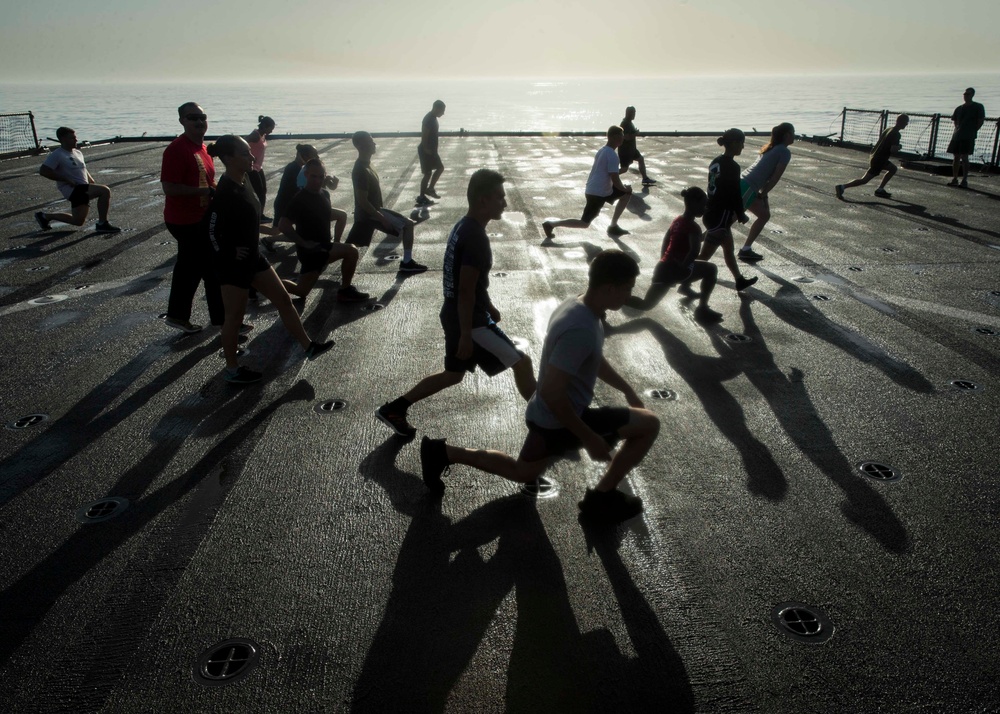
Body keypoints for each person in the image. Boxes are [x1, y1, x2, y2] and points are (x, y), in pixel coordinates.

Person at [420, 249, 660, 524]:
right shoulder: (580, 327)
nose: (630, 294)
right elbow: (552, 392)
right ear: (609, 287)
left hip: (550, 414)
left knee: (523, 472)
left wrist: (627, 388)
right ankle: (602, 498)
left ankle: (441, 453)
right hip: (558, 419)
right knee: (648, 424)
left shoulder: (581, 307)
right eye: (628, 288)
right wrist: (589, 437)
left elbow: (592, 358)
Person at [375, 169, 536, 438]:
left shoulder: (464, 225)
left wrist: (489, 305)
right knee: (521, 362)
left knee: (453, 374)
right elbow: (464, 290)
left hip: (456, 313)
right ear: (484, 200)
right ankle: (547, 421)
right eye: (500, 197)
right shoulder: (475, 238)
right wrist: (465, 335)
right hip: (468, 321)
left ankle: (394, 409)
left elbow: (470, 282)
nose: (505, 203)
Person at [205, 135, 334, 384]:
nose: (252, 156)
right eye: (245, 153)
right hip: (233, 266)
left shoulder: (245, 181)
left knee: (284, 300)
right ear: (229, 159)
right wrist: (228, 251)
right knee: (234, 317)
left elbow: (248, 222)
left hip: (253, 257)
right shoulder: (225, 191)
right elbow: (210, 230)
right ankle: (232, 369)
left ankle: (308, 347)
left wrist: (270, 232)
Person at [159, 102, 225, 334]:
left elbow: (207, 181)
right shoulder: (177, 149)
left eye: (202, 117)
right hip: (185, 221)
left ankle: (182, 316)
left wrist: (219, 190)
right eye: (192, 117)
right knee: (210, 269)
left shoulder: (202, 149)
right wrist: (205, 192)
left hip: (201, 218)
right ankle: (221, 321)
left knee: (192, 268)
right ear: (182, 121)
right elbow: (169, 187)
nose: (199, 121)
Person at [626, 187, 723, 323]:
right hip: (676, 270)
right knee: (710, 269)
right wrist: (682, 268)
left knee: (646, 304)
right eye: (703, 204)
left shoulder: (677, 221)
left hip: (664, 267)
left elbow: (667, 240)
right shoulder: (693, 227)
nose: (705, 208)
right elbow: (694, 251)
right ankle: (702, 309)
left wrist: (664, 258)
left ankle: (610, 300)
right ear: (694, 204)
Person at [278, 157, 367, 302]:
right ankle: (345, 290)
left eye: (321, 176)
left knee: (301, 291)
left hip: (322, 247)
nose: (317, 180)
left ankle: (260, 284)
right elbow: (283, 225)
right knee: (351, 251)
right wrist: (304, 243)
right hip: (313, 251)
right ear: (306, 175)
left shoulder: (323, 194)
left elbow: (321, 214)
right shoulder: (300, 199)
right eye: (314, 176)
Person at [345, 131, 427, 273]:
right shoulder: (360, 170)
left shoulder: (367, 165)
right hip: (368, 215)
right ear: (360, 145)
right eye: (370, 141)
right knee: (408, 224)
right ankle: (407, 262)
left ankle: (320, 260)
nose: (374, 143)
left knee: (349, 248)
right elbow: (362, 201)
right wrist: (382, 218)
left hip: (370, 213)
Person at [692, 129, 757, 292]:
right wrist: (741, 213)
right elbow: (734, 193)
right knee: (704, 258)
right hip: (721, 215)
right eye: (742, 143)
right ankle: (684, 280)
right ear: (734, 143)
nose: (743, 147)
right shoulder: (732, 166)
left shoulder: (716, 161)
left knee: (729, 249)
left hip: (712, 211)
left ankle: (739, 280)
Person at [542, 126, 633, 240]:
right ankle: (551, 224)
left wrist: (624, 188)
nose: (623, 138)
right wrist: (625, 188)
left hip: (602, 189)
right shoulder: (612, 155)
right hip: (597, 193)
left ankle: (613, 225)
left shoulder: (603, 150)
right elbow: (614, 178)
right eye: (621, 136)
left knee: (626, 195)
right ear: (615, 137)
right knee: (584, 223)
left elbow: (606, 172)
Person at [34, 127, 121, 234]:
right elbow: (43, 171)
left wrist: (90, 179)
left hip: (82, 188)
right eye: (72, 138)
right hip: (73, 189)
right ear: (63, 139)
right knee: (104, 191)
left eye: (75, 137)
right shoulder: (57, 154)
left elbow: (81, 168)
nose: (76, 140)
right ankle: (102, 223)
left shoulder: (77, 153)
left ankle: (45, 216)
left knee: (78, 221)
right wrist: (65, 179)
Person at [735, 122, 795, 263]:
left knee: (764, 215)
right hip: (748, 187)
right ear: (787, 135)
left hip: (745, 183)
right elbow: (775, 177)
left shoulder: (773, 148)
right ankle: (694, 247)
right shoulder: (784, 152)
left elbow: (765, 174)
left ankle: (746, 249)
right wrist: (763, 194)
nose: (795, 136)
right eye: (793, 133)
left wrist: (764, 195)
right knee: (724, 224)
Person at [836, 114, 908, 199]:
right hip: (880, 160)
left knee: (893, 169)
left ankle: (880, 189)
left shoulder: (888, 129)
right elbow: (893, 150)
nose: (906, 124)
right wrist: (899, 147)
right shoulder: (896, 134)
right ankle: (842, 187)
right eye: (906, 122)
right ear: (901, 122)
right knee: (864, 180)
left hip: (877, 157)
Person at [947, 88, 986, 189]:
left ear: (972, 95)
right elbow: (955, 121)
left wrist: (973, 131)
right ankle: (955, 178)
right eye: (964, 94)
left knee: (964, 157)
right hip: (957, 135)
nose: (965, 95)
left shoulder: (978, 107)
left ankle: (964, 180)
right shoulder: (959, 108)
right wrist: (957, 129)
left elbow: (980, 121)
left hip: (968, 135)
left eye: (968, 94)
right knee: (956, 157)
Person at [417, 100, 446, 205]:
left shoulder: (432, 118)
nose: (443, 113)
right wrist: (426, 148)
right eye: (442, 111)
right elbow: (424, 134)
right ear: (436, 108)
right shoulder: (429, 119)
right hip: (427, 150)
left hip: (431, 150)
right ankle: (423, 195)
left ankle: (429, 190)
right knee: (429, 172)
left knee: (435, 170)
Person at [618, 106, 655, 186]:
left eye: (635, 113)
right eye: (633, 113)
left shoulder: (629, 122)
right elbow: (626, 137)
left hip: (632, 150)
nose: (634, 115)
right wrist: (636, 134)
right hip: (625, 151)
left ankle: (645, 178)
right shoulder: (625, 123)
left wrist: (635, 132)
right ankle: (609, 177)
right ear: (628, 113)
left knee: (641, 159)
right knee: (624, 169)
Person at [246, 115, 275, 216]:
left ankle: (260, 214)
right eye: (271, 128)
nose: (272, 131)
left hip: (259, 167)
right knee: (259, 192)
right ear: (266, 126)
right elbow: (243, 142)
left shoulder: (263, 135)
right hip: (252, 167)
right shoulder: (255, 135)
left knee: (263, 190)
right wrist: (248, 156)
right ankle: (258, 215)